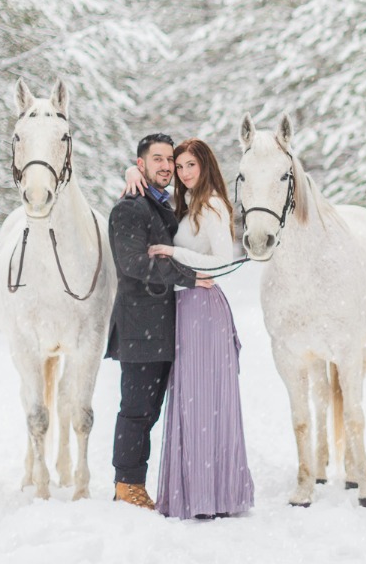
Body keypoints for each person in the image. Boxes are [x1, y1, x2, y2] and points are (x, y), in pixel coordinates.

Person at [124, 138, 255, 519]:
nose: (182, 172)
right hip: (185, 306)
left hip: (203, 307)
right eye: (178, 167)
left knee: (204, 402)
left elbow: (220, 260)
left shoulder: (211, 203)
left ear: (205, 166)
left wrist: (172, 252)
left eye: (189, 166)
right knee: (191, 402)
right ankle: (197, 491)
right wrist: (132, 172)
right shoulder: (187, 205)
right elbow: (150, 186)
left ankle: (211, 495)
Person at [107, 133, 215, 509]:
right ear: (141, 164)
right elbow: (133, 263)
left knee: (150, 411)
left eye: (170, 159)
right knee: (136, 410)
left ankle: (135, 479)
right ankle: (127, 483)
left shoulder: (163, 206)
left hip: (165, 327)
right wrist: (187, 276)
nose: (167, 166)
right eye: (157, 159)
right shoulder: (130, 209)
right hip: (140, 327)